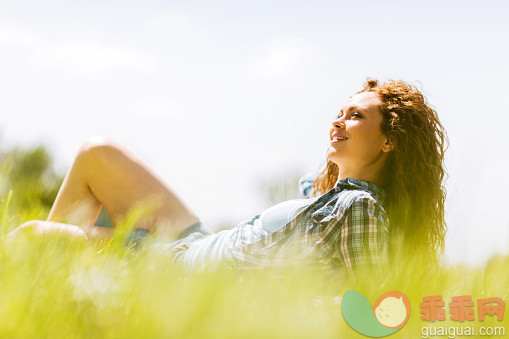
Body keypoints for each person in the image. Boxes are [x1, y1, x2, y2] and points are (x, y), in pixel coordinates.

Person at [8, 79, 448, 281]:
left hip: (176, 270)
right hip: (195, 241)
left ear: (391, 141)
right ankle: (53, 290)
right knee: (95, 153)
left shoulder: (360, 208)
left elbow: (370, 308)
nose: (338, 120)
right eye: (340, 110)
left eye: (357, 115)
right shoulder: (328, 193)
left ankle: (45, 292)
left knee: (30, 237)